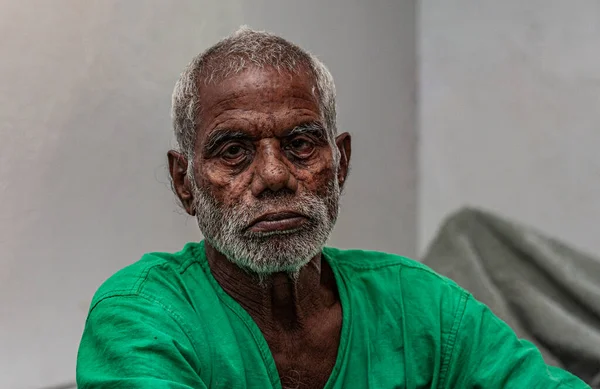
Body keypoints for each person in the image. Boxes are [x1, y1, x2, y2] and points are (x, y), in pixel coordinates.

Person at [76, 28, 589, 389]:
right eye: (233, 150)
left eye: (301, 143)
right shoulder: (142, 316)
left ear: (339, 162)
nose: (275, 177)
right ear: (183, 182)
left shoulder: (419, 304)